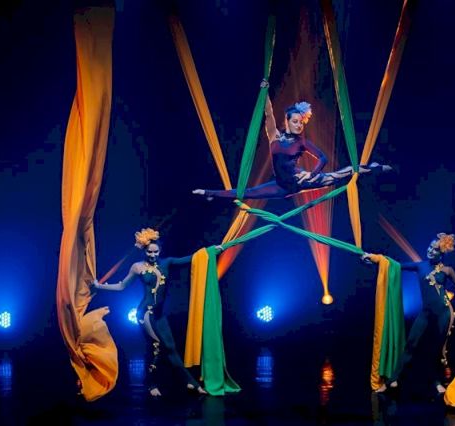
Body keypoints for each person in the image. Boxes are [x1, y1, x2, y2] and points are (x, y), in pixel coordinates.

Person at [192, 80, 392, 200]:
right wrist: (264, 91)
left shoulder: (301, 142)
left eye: (301, 122)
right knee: (246, 193)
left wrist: (311, 175)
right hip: (280, 186)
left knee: (340, 175)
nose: (299, 125)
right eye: (295, 122)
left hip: (300, 181)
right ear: (287, 121)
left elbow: (322, 158)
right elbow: (268, 113)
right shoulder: (274, 136)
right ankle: (209, 193)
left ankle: (374, 167)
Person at [91, 228, 208, 397]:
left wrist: (212, 251)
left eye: (155, 252)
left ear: (160, 251)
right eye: (149, 252)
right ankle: (151, 384)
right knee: (156, 346)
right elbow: (122, 286)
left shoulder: (167, 263)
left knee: (171, 348)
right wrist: (100, 286)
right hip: (145, 314)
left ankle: (190, 382)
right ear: (144, 251)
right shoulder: (137, 267)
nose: (152, 255)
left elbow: (192, 258)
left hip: (159, 314)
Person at [364, 233, 455, 395]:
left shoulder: (447, 270)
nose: (431, 251)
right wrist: (375, 258)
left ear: (442, 253)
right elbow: (396, 265)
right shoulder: (420, 266)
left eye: (435, 249)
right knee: (410, 344)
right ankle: (391, 380)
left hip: (444, 313)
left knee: (437, 350)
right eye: (430, 247)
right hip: (425, 313)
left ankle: (437, 382)